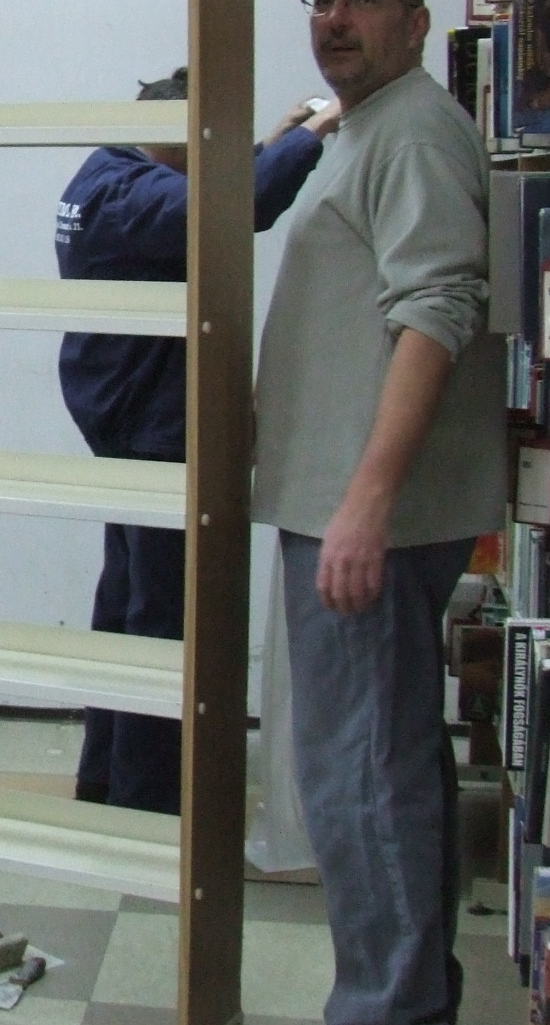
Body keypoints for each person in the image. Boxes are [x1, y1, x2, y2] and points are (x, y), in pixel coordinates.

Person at [246, 0, 504, 1025]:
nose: (337, 18)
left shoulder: (414, 136)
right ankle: (412, 1024)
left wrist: (367, 501)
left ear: (416, 22)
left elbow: (438, 311)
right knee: (390, 765)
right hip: (343, 507)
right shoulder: (361, 131)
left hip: (365, 523)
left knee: (360, 779)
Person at [55, 69, 340, 813]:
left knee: (127, 602)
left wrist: (276, 140)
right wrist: (318, 130)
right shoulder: (130, 197)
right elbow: (232, 205)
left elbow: (204, 192)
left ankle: (105, 780)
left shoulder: (108, 173)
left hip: (124, 414)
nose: (216, 155)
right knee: (162, 618)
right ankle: (149, 802)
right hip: (148, 423)